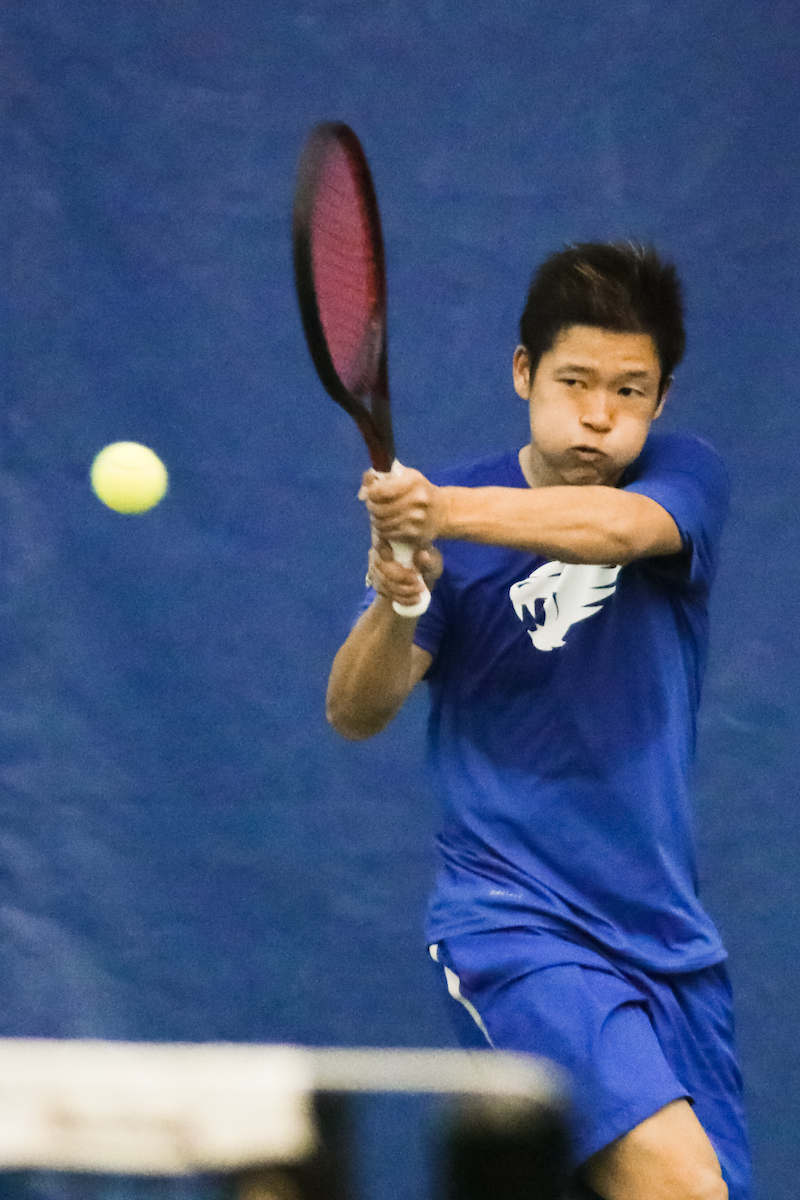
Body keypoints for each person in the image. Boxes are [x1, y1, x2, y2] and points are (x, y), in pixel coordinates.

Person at [326, 243, 750, 1200]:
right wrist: (401, 601)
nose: (601, 414)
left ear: (663, 399)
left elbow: (616, 531)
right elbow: (357, 710)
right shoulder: (458, 542)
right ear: (525, 373)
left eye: (631, 390)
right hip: (520, 925)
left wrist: (440, 512)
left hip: (670, 944)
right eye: (576, 381)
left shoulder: (683, 480)